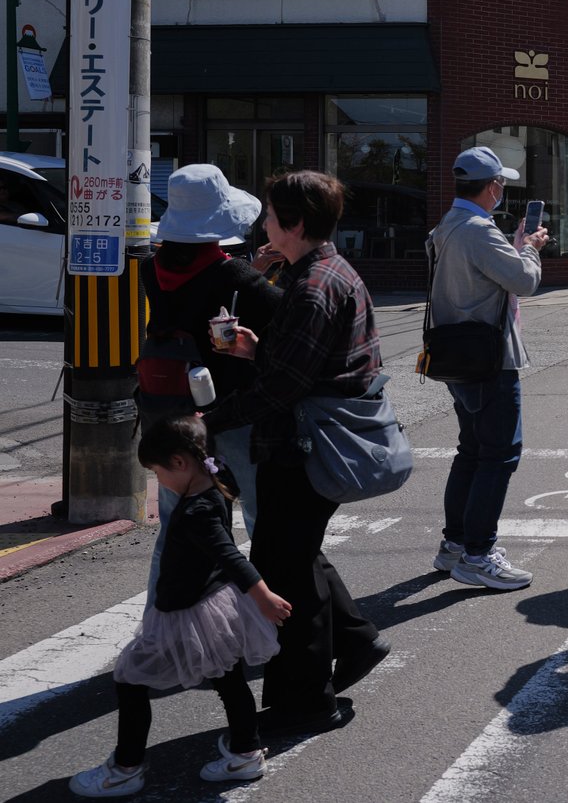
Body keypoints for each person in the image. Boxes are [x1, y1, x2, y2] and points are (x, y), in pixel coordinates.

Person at [205, 170, 387, 737]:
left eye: (270, 215)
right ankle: (356, 643)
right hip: (314, 440)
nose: (263, 224)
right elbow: (301, 368)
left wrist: (207, 422)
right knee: (297, 556)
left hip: (300, 446)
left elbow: (284, 388)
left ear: (295, 224)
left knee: (287, 574)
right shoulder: (329, 270)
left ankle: (307, 701)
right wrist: (260, 350)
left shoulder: (312, 286)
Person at [69, 414, 290, 798]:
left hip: (184, 611)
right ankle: (245, 751)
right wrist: (202, 426)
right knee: (228, 676)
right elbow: (212, 461)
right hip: (213, 605)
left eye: (156, 473)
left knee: (130, 678)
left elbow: (230, 556)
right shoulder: (217, 484)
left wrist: (264, 595)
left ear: (179, 462)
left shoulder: (196, 510)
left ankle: (126, 768)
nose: (159, 483)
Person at [426, 146, 546, 590]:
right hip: (489, 358)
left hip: (454, 352)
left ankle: (455, 545)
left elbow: (484, 274)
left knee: (472, 451)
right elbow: (523, 281)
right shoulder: (478, 230)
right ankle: (477, 554)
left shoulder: (447, 225)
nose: (501, 192)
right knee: (499, 455)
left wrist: (514, 248)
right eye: (501, 185)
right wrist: (531, 249)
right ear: (492, 187)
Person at [145, 164, 282, 550]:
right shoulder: (236, 277)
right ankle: (266, 591)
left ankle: (170, 598)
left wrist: (249, 271)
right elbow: (291, 312)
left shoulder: (150, 270)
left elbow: (196, 293)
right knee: (257, 504)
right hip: (231, 407)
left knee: (178, 508)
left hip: (172, 407)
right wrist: (254, 274)